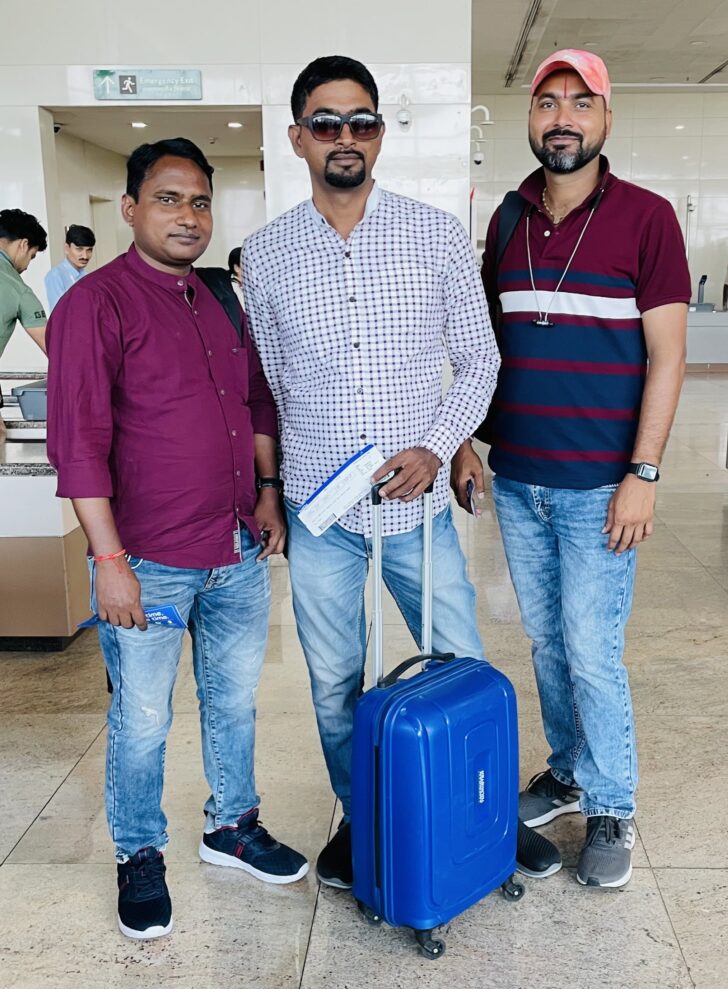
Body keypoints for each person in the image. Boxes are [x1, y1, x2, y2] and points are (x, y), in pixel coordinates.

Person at [243, 54, 560, 889]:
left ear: (380, 134)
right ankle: (361, 815)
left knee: (460, 660)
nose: (344, 138)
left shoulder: (433, 234)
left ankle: (482, 812)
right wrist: (272, 490)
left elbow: (480, 360)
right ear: (297, 137)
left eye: (361, 122)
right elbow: (269, 385)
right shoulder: (267, 256)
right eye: (325, 124)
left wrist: (440, 446)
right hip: (321, 511)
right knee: (331, 679)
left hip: (414, 505)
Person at [46, 137, 308, 942]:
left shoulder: (223, 298)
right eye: (168, 199)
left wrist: (266, 494)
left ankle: (231, 825)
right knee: (143, 719)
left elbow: (255, 405)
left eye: (199, 201)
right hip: (148, 560)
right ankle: (139, 852)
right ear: (130, 210)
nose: (188, 215)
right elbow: (77, 443)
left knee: (233, 704)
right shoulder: (94, 305)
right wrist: (109, 561)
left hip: (233, 550)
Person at [451, 49, 690, 889]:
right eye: (547, 102)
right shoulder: (509, 220)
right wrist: (462, 439)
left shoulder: (647, 218)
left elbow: (666, 358)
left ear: (605, 119)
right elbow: (483, 345)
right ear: (529, 119)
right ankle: (566, 770)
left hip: (601, 483)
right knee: (547, 641)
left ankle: (612, 804)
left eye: (579, 103)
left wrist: (644, 473)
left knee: (592, 648)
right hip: (517, 476)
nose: (561, 117)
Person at [0, 208, 48, 359]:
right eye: (32, 256)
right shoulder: (19, 289)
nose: (27, 266)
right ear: (24, 245)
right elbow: (55, 349)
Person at [44, 224, 96, 311]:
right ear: (66, 248)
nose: (85, 256)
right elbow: (59, 313)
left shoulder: (87, 276)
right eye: (79, 249)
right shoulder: (55, 276)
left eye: (89, 250)